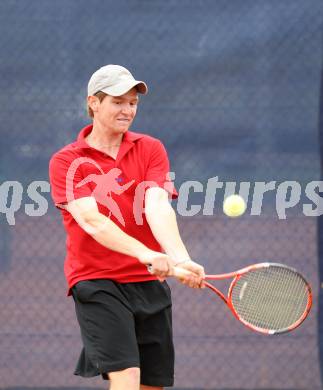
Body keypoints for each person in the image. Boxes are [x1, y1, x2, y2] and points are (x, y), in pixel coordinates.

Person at [49, 64, 205, 390]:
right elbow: (92, 221)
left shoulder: (150, 148)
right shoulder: (66, 161)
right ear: (94, 102)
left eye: (133, 102)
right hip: (97, 281)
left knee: (151, 384)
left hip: (148, 283)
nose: (128, 109)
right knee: (128, 378)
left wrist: (179, 258)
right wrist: (147, 253)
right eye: (118, 101)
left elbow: (157, 205)